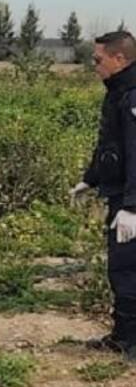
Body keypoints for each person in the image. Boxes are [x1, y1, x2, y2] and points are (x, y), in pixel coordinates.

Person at [72, 31, 136, 359]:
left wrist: (132, 207)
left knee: (125, 269)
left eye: (98, 59)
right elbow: (110, 146)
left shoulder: (132, 95)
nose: (93, 65)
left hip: (131, 202)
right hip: (121, 194)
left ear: (119, 59)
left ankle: (127, 341)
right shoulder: (118, 92)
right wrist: (90, 179)